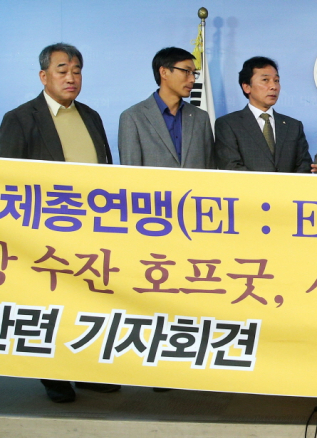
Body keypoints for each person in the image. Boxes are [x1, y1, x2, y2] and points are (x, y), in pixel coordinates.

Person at [0, 43, 118, 403]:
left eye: (77, 71)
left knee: (87, 302)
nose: (71, 77)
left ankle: (87, 371)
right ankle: (53, 375)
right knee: (49, 304)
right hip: (42, 235)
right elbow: (8, 182)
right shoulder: (21, 119)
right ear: (43, 76)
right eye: (62, 70)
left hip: (91, 231)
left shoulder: (91, 116)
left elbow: (108, 173)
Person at [119, 47, 214, 168]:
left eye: (194, 73)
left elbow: (209, 170)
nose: (192, 79)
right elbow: (131, 173)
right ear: (164, 72)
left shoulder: (200, 117)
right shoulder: (133, 117)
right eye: (186, 71)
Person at [215, 56, 312, 172]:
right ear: (247, 87)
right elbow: (231, 166)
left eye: (276, 81)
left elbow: (304, 167)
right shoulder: (228, 124)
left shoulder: (294, 126)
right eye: (265, 80)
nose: (273, 86)